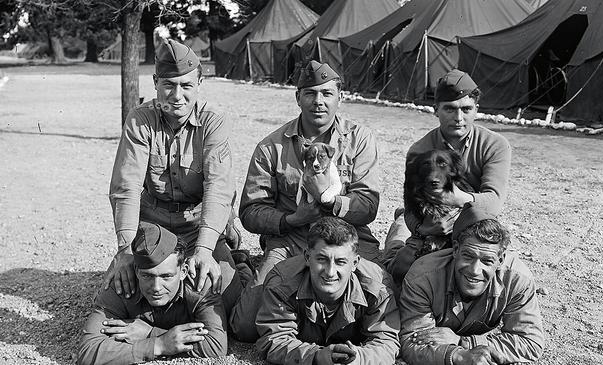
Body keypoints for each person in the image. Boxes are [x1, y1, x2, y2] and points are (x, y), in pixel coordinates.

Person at [230, 60, 381, 341]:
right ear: (298, 97)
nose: (318, 101)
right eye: (310, 93)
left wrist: (333, 203)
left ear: (340, 98)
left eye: (327, 93)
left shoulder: (358, 139)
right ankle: (242, 269)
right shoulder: (272, 146)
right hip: (293, 239)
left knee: (382, 305)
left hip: (349, 236)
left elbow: (368, 205)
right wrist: (292, 219)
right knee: (246, 327)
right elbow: (251, 211)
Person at [105, 38, 245, 314]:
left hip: (198, 222)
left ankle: (235, 257)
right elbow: (127, 187)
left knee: (228, 299)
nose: (177, 95)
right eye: (169, 85)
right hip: (154, 224)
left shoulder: (213, 122)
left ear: (199, 84)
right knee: (122, 293)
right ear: (156, 82)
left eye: (186, 86)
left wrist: (204, 250)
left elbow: (218, 188)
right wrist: (125, 251)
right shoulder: (140, 120)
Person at [383, 68, 512, 283]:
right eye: (450, 109)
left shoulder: (495, 145)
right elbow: (412, 206)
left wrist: (457, 198)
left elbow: (494, 202)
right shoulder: (419, 150)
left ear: (476, 109)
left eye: (467, 109)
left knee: (499, 277)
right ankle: (396, 237)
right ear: (436, 110)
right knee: (398, 271)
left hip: (475, 227)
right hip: (429, 225)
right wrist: (422, 228)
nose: (459, 118)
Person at [399, 202, 545, 365]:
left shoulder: (516, 280)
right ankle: (400, 220)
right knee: (394, 253)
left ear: (500, 259)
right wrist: (459, 357)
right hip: (417, 260)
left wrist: (463, 342)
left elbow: (530, 342)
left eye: (487, 261)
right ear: (455, 250)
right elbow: (412, 342)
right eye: (468, 256)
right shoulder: (422, 277)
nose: (475, 270)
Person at [78, 222, 228, 364]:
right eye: (147, 276)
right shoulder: (120, 284)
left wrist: (150, 334)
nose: (156, 287)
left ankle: (241, 262)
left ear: (183, 272)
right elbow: (88, 351)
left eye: (166, 276)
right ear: (136, 271)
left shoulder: (200, 285)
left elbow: (216, 345)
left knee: (233, 302)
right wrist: (158, 345)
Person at [256, 217, 400, 365]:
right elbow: (274, 339)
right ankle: (242, 268)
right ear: (307, 257)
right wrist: (316, 356)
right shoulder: (282, 285)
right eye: (321, 259)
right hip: (278, 285)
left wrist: (359, 359)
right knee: (243, 328)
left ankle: (400, 221)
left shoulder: (377, 289)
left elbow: (387, 341)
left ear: (355, 263)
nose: (330, 272)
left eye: (340, 262)